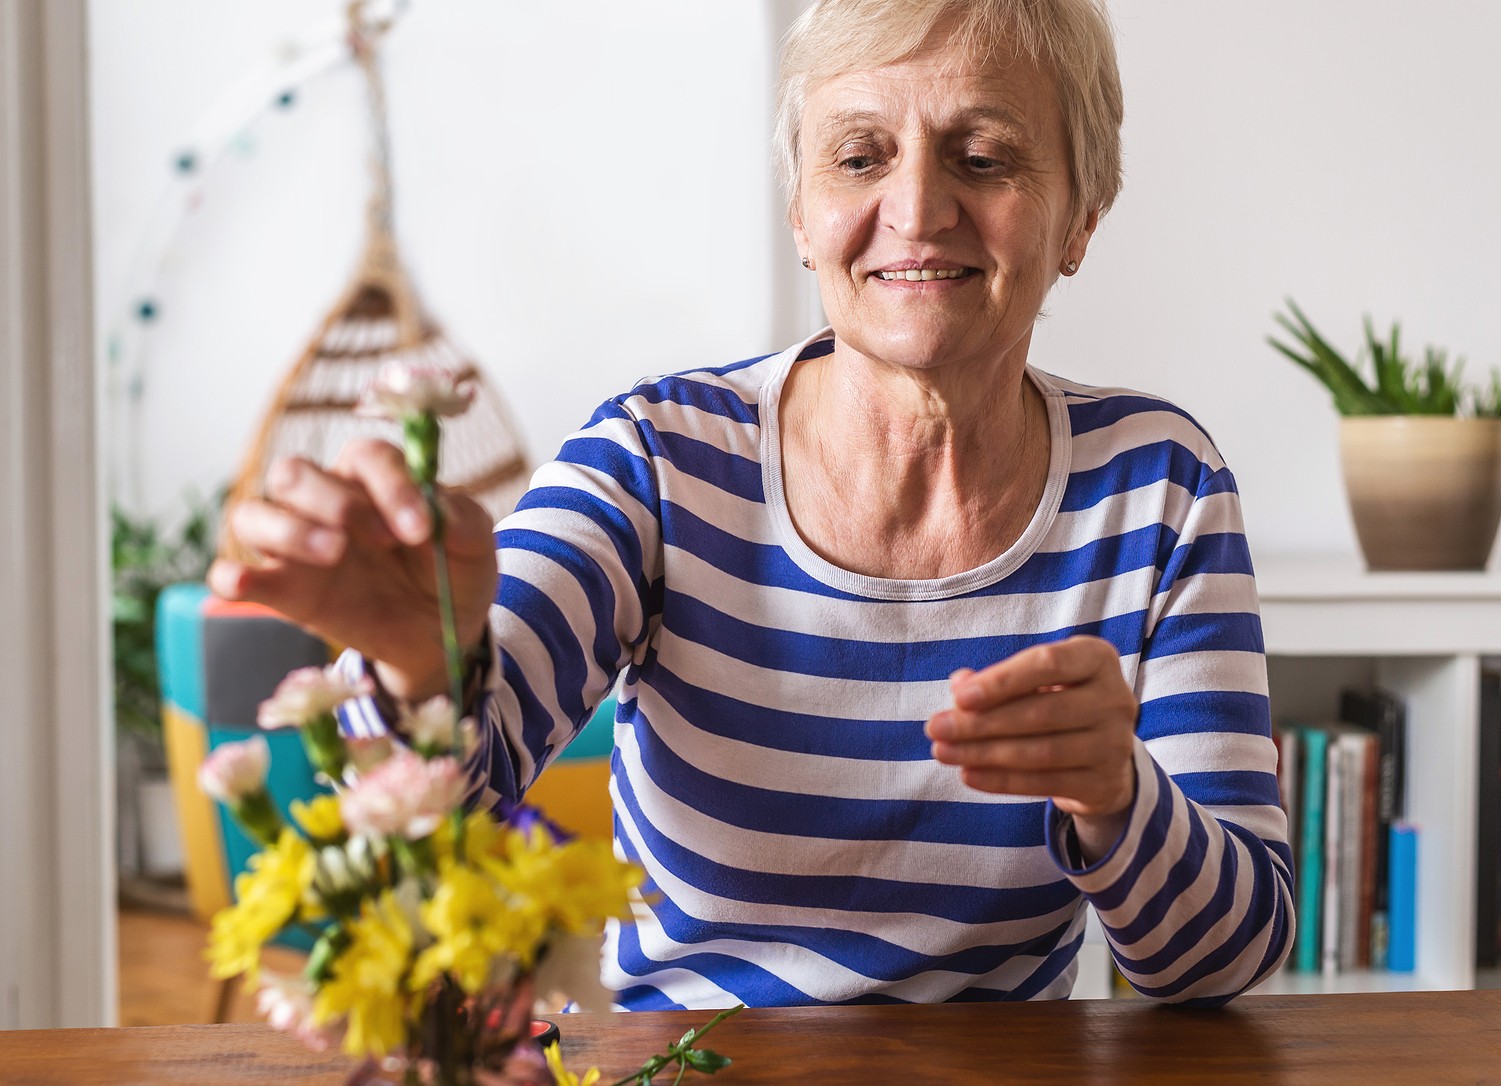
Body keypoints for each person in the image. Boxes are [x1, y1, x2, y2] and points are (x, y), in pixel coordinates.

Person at [212, 0, 1294, 1011]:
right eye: (859, 156)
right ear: (803, 216)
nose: (915, 209)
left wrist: (1119, 797)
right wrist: (424, 666)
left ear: (1080, 217)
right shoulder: (656, 456)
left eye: (983, 157)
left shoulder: (1160, 483)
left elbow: (1224, 962)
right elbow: (443, 816)